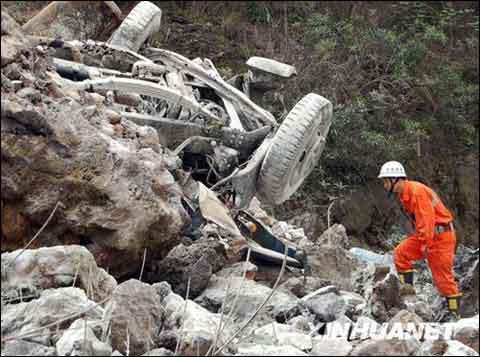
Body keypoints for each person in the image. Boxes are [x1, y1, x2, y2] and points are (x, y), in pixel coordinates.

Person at [378, 161, 462, 320]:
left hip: (441, 236)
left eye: (385, 181)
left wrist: (425, 244)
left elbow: (426, 220)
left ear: (395, 179)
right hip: (429, 234)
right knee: (400, 254)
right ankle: (408, 294)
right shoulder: (405, 194)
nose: (384, 185)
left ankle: (454, 314)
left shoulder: (416, 192)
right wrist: (423, 241)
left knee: (443, 278)